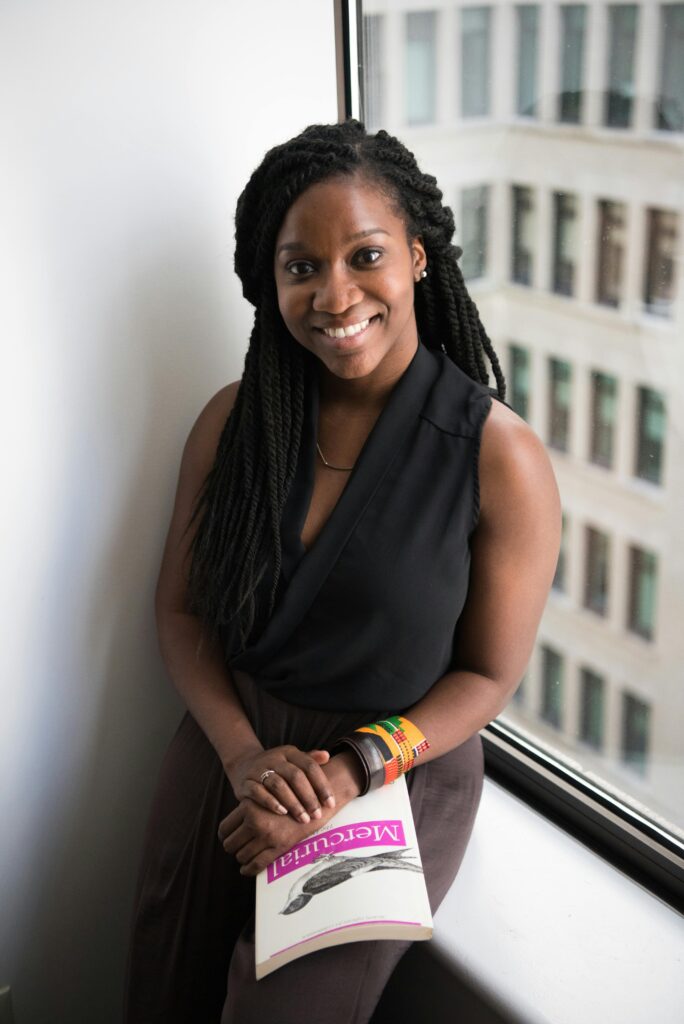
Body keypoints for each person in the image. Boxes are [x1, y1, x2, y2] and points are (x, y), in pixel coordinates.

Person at [124, 120, 561, 1024]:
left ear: (417, 256)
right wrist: (246, 759)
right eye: (300, 268)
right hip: (233, 746)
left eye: (365, 256)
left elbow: (487, 675)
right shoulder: (235, 421)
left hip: (390, 768)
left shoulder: (499, 456)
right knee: (165, 988)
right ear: (268, 282)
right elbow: (181, 617)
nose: (335, 294)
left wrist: (349, 772)